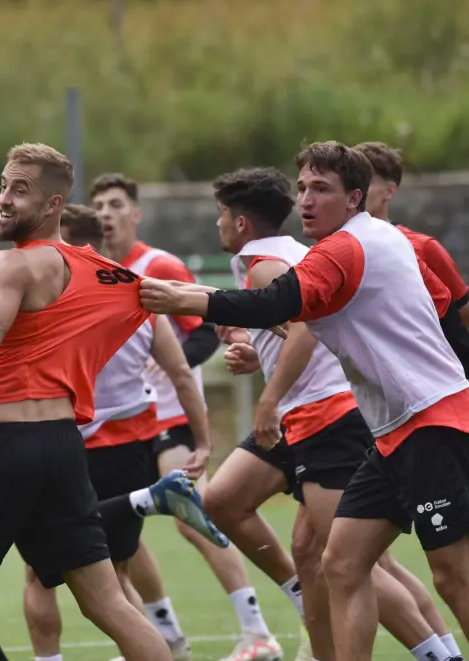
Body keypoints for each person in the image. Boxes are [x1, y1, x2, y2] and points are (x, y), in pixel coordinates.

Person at [140, 141, 469, 661]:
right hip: (391, 433)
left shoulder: (346, 248)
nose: (306, 199)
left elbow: (279, 302)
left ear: (355, 199)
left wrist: (184, 298)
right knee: (339, 562)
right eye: (301, 187)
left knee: (454, 578)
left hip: (430, 424)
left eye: (321, 188)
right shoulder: (380, 240)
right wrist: (465, 369)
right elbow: (447, 320)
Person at [0, 143, 203, 661]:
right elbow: (176, 296)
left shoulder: (10, 264)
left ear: (54, 204)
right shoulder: (100, 272)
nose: (4, 199)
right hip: (62, 447)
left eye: (21, 190)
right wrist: (269, 313)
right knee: (108, 602)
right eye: (3, 186)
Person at [22, 203, 229, 661]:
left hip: (74, 446)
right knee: (114, 576)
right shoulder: (136, 291)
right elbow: (178, 372)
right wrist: (204, 442)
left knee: (40, 572)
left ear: (73, 242)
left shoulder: (58, 293)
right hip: (135, 444)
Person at [91, 172, 279, 661]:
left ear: (136, 214)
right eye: (99, 207)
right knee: (123, 538)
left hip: (171, 415)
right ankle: (166, 635)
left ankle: (256, 630)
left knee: (189, 516)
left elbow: (203, 331)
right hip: (127, 424)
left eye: (115, 204)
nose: (106, 214)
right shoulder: (95, 272)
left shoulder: (159, 264)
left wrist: (171, 360)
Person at [354, 141, 469, 338]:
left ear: (389, 191)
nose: (355, 190)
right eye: (351, 180)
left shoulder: (422, 248)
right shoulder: (326, 247)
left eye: (366, 181)